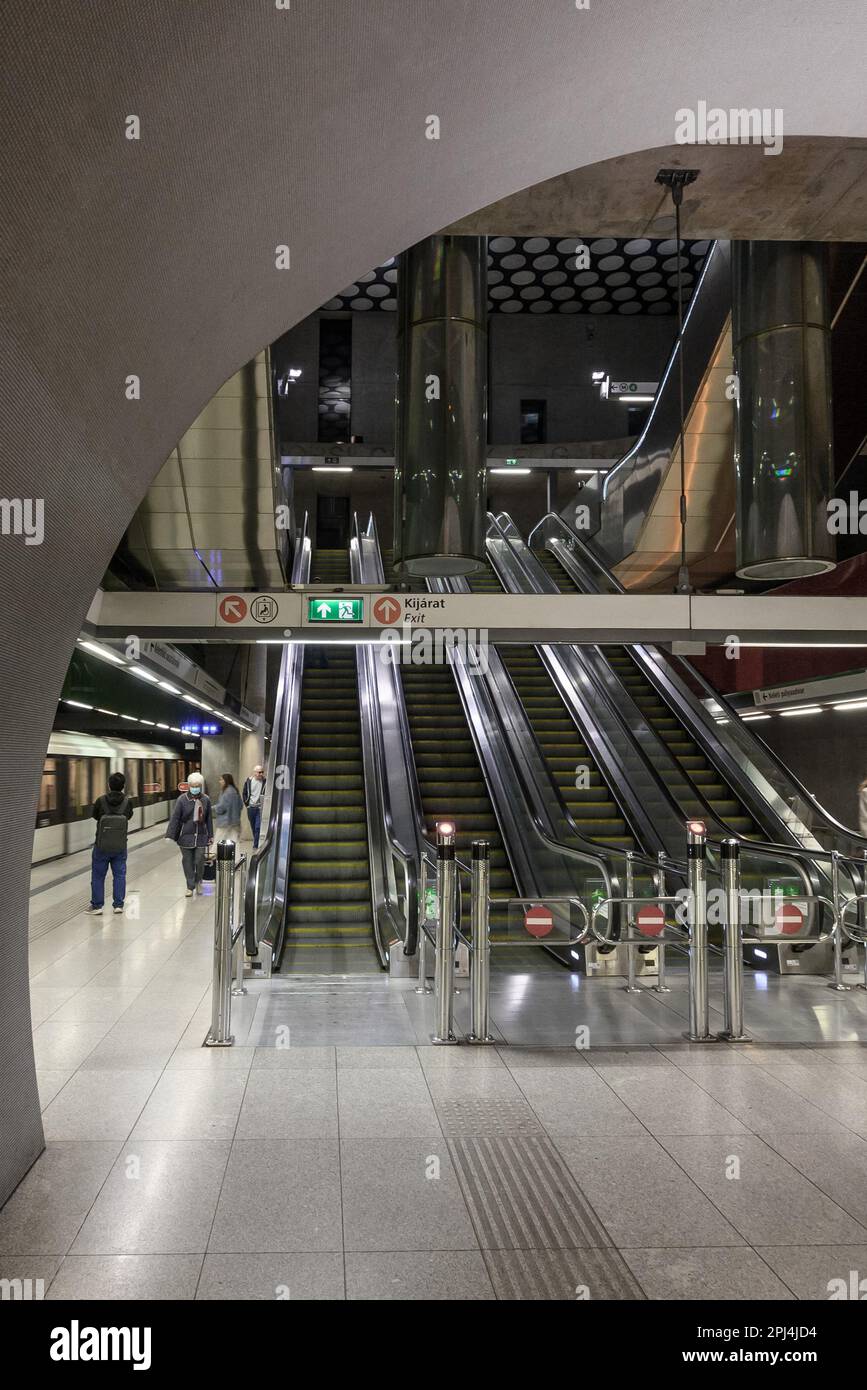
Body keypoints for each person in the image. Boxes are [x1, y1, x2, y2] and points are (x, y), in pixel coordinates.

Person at [86, 771, 134, 915]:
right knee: (120, 875)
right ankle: (118, 905)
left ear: (109, 785)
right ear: (123, 786)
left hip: (101, 845)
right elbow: (129, 816)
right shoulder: (127, 802)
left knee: (98, 875)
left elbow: (95, 816)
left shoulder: (100, 801)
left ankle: (97, 906)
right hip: (120, 846)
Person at [165, 771, 213, 896]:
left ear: (201, 786)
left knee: (199, 860)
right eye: (193, 785)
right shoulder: (182, 800)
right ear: (189, 785)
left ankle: (199, 882)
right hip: (185, 836)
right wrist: (170, 835)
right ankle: (190, 886)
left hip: (202, 836)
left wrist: (211, 835)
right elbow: (175, 818)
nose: (195, 788)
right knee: (187, 862)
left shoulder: (206, 799)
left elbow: (208, 819)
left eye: (197, 786)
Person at [214, 771, 243, 844]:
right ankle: (235, 855)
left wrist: (214, 808)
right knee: (234, 843)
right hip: (235, 822)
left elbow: (221, 808)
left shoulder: (226, 792)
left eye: (221, 780)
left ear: (226, 781)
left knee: (218, 842)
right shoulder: (235, 791)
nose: (219, 781)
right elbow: (241, 805)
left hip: (224, 822)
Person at [243, 764, 266, 848]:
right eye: (259, 772)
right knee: (253, 827)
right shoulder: (249, 781)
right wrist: (247, 804)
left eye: (262, 772)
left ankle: (256, 846)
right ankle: (257, 841)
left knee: (258, 827)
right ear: (255, 773)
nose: (261, 774)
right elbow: (244, 793)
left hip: (260, 808)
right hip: (251, 808)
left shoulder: (265, 782)